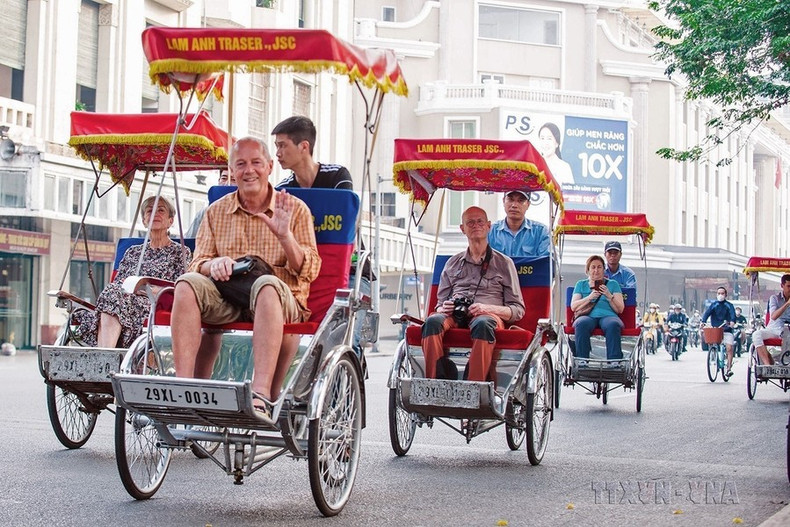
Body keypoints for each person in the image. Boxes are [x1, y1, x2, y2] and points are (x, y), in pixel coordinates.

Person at [170, 137, 321, 408]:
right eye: (240, 164)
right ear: (232, 169)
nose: (248, 170)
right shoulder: (216, 212)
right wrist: (213, 264)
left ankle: (260, 393)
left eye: (256, 163)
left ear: (270, 167)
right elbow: (197, 262)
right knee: (185, 283)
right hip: (228, 296)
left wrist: (285, 236)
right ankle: (184, 387)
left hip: (279, 299)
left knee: (265, 285)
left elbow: (309, 270)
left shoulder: (295, 209)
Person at [421, 206, 525, 382]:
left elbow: (517, 310)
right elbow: (439, 303)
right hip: (454, 315)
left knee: (483, 323)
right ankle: (435, 382)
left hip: (488, 316)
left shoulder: (504, 263)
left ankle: (474, 384)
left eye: (480, 222)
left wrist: (487, 308)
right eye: (470, 222)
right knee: (432, 321)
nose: (476, 225)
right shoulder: (452, 263)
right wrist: (443, 306)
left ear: (488, 226)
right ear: (462, 229)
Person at [74, 196, 191, 348]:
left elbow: (182, 287)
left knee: (112, 298)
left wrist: (152, 290)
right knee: (112, 293)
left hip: (157, 301)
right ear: (144, 220)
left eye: (161, 210)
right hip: (124, 301)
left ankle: (105, 356)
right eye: (149, 211)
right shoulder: (132, 252)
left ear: (170, 221)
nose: (154, 213)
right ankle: (106, 355)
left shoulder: (180, 252)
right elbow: (119, 283)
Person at [272, 116, 353, 190]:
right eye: (277, 146)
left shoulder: (337, 176)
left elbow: (345, 205)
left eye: (282, 145)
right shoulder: (282, 190)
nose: (277, 153)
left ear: (304, 146)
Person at [570, 255, 625, 360]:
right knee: (582, 323)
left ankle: (614, 360)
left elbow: (620, 309)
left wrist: (609, 295)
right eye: (593, 267)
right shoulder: (581, 284)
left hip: (608, 315)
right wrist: (589, 298)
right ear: (588, 270)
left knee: (613, 324)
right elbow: (574, 306)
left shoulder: (613, 284)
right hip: (587, 315)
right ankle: (582, 360)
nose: (596, 270)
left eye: (599, 267)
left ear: (604, 269)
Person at [487, 190, 550, 257]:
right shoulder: (490, 231)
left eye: (520, 200)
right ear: (503, 201)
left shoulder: (541, 232)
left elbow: (546, 263)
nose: (514, 205)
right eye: (511, 199)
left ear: (528, 204)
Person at [751, 274, 790, 365]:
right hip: (774, 328)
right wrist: (787, 303)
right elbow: (773, 316)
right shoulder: (775, 298)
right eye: (788, 286)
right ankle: (767, 364)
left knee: (787, 333)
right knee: (756, 335)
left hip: (787, 330)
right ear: (782, 286)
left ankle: (785, 363)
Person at [701, 287, 737, 378]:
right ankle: (714, 356)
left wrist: (732, 322)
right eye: (719, 293)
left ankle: (728, 368)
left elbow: (733, 314)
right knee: (713, 344)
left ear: (725, 295)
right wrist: (703, 322)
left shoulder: (729, 305)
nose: (720, 295)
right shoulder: (714, 305)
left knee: (729, 348)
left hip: (727, 330)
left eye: (722, 293)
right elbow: (706, 313)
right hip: (716, 330)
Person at [186, 169, 231, 238]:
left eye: (233, 180)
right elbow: (190, 239)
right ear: (218, 181)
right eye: (224, 178)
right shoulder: (206, 212)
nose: (227, 183)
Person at [537, 122, 574, 188]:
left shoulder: (564, 167)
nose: (545, 143)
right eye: (542, 138)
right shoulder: (534, 165)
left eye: (549, 138)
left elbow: (569, 193)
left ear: (557, 143)